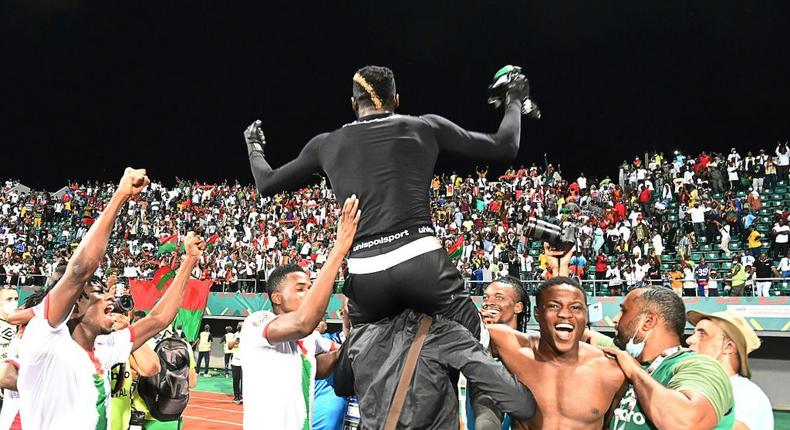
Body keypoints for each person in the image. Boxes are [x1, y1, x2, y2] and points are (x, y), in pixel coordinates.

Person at [245, 65, 533, 340]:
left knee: (354, 367)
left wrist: (253, 146)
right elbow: (505, 146)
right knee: (478, 344)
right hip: (421, 262)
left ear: (353, 104)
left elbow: (267, 183)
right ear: (396, 100)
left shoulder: (324, 143)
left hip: (365, 272)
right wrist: (515, 99)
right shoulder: (425, 126)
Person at [17, 168, 207, 430]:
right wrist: (121, 195)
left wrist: (189, 262)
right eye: (98, 293)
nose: (110, 298)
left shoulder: (102, 348)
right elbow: (79, 271)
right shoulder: (46, 338)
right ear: (73, 308)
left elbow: (159, 318)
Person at [239, 196, 359, 429]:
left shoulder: (309, 340)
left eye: (310, 288)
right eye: (301, 289)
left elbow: (325, 365)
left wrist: (351, 326)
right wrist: (340, 247)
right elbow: (303, 323)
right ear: (277, 297)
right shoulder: (257, 323)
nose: (309, 293)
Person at [487, 251, 625, 430]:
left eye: (576, 308)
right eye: (553, 306)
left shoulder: (612, 372)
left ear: (585, 315)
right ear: (538, 314)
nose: (565, 314)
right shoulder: (514, 350)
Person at [598, 287, 735, 429]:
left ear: (648, 321)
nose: (615, 319)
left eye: (624, 311)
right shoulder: (626, 360)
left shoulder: (701, 366)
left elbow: (687, 423)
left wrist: (635, 373)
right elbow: (592, 337)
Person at [686, 310, 774, 430]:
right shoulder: (700, 389)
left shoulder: (748, 396)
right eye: (694, 333)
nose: (689, 340)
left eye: (702, 334)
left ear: (728, 347)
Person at [467, 276, 532, 430]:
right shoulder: (475, 342)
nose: (489, 302)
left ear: (518, 307)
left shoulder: (530, 344)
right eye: (486, 297)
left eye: (499, 297)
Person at [228, 322, 243, 404]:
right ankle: (237, 396)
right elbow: (229, 347)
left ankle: (243, 397)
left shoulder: (249, 335)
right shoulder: (234, 335)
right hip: (236, 361)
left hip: (245, 361)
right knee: (236, 380)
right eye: (239, 326)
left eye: (242, 326)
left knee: (245, 381)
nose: (240, 327)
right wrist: (236, 341)